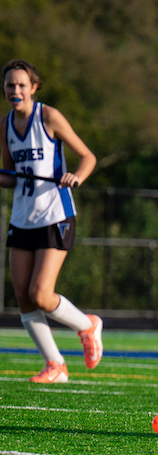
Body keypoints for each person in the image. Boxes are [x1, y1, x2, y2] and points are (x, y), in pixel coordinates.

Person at [1, 59, 103, 383]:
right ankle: (55, 365)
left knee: (41, 293)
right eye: (9, 85)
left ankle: (87, 326)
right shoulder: (4, 126)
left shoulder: (48, 116)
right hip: (22, 217)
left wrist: (78, 176)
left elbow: (88, 157)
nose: (15, 90)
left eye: (20, 85)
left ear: (33, 87)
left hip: (54, 215)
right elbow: (9, 176)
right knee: (22, 295)